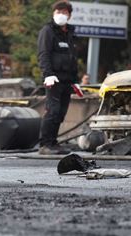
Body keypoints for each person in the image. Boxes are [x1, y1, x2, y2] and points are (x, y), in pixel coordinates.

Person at [37, 1, 80, 155]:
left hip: (67, 80)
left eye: (64, 12)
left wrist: (76, 80)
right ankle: (45, 144)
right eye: (58, 11)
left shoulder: (70, 33)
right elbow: (44, 54)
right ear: (53, 13)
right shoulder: (47, 31)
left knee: (61, 112)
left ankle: (53, 142)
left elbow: (73, 58)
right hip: (53, 78)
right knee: (52, 111)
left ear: (69, 15)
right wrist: (47, 74)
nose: (61, 15)